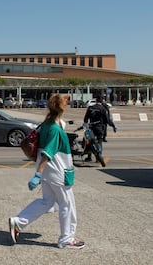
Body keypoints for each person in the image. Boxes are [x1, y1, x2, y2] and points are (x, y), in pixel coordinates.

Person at [8, 94, 85, 249]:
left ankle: (18, 222)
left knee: (47, 202)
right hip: (58, 172)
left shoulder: (47, 124)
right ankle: (67, 239)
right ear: (63, 109)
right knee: (67, 204)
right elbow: (48, 153)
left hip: (48, 173)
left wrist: (40, 173)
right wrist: (37, 174)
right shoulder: (56, 129)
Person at [83, 95, 116, 161]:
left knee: (90, 141)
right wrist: (113, 126)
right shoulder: (103, 109)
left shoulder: (90, 108)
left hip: (91, 127)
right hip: (100, 127)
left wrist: (86, 126)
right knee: (99, 141)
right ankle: (98, 157)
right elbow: (107, 120)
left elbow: (85, 119)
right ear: (102, 101)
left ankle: (89, 157)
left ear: (96, 101)